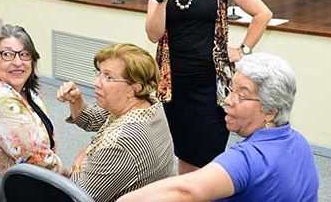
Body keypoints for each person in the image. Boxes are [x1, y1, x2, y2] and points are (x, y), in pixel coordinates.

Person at [146, 0, 273, 174]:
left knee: (207, 159)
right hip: (173, 88)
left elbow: (263, 13)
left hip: (210, 89)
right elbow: (154, 34)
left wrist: (243, 50)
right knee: (184, 155)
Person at [118, 53, 319, 202]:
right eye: (231, 89)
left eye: (242, 95)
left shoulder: (248, 157)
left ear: (271, 111)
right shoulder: (298, 141)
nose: (227, 101)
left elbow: (185, 191)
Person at [56, 43, 174, 202]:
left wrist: (77, 164)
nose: (97, 82)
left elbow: (78, 197)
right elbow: (92, 119)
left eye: (108, 77)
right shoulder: (149, 105)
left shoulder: (123, 142)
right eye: (99, 73)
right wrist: (76, 101)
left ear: (134, 88)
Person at [0, 24, 62, 173]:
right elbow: (37, 161)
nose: (18, 62)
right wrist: (72, 174)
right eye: (7, 54)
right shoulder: (0, 98)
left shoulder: (28, 92)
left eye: (24, 54)